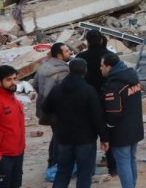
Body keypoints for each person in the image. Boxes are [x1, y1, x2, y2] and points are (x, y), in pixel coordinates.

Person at [43, 58, 109, 188]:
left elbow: (46, 108)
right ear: (85, 71)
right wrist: (104, 137)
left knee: (62, 172)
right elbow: (97, 116)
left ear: (69, 70)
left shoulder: (57, 89)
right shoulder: (88, 90)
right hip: (85, 139)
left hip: (63, 137)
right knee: (84, 174)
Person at [76, 30, 117, 176]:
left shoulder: (81, 57)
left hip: (87, 100)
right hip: (108, 98)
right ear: (101, 40)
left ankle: (88, 168)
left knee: (89, 134)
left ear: (87, 41)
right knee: (109, 131)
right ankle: (113, 166)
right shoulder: (110, 56)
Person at [101, 53, 144, 188]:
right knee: (131, 159)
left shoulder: (113, 85)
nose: (100, 68)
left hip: (121, 131)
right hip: (135, 127)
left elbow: (114, 113)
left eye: (102, 66)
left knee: (123, 162)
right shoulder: (132, 78)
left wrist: (108, 127)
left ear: (109, 66)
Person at [34, 42, 72, 172]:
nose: (70, 53)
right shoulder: (64, 71)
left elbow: (35, 85)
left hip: (44, 108)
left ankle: (52, 162)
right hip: (57, 111)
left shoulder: (43, 67)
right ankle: (55, 164)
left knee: (56, 135)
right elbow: (66, 94)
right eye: (66, 51)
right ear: (59, 56)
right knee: (59, 137)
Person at [0, 65, 24, 188]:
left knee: (16, 185)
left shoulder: (16, 102)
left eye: (14, 79)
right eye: (9, 79)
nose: (13, 82)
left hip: (18, 154)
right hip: (2, 157)